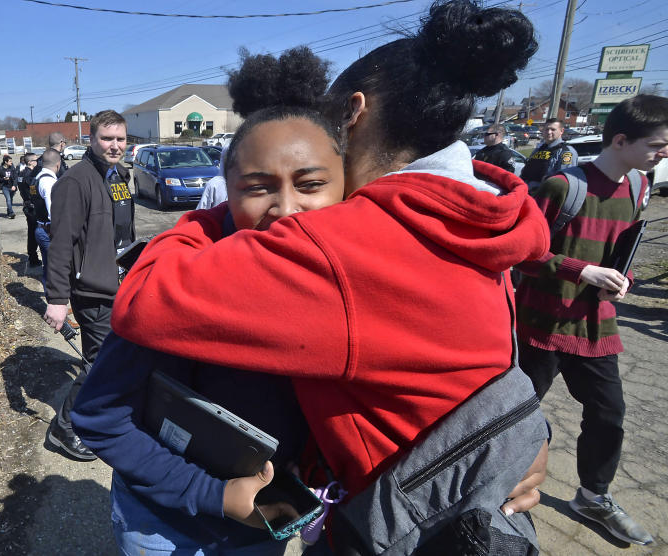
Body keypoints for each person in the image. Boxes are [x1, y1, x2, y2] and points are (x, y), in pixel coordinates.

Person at [110, 1, 549, 550]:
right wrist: (525, 436)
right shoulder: (475, 212)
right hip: (467, 498)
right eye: (260, 185)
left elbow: (144, 297)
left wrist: (214, 214)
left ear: (352, 111)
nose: (288, 209)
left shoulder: (347, 243)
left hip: (391, 523)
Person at [71, 47, 339, 555]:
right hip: (169, 532)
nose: (286, 210)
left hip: (262, 530)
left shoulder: (354, 290)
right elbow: (99, 417)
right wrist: (212, 495)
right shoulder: (179, 288)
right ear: (225, 192)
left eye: (312, 184)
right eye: (258, 187)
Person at [513, 94, 668, 547]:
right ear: (621, 140)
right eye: (657, 145)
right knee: (518, 415)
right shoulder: (564, 185)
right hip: (541, 324)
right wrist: (580, 270)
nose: (663, 154)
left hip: (596, 325)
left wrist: (623, 280)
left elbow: (622, 254)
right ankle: (493, 486)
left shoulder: (639, 188)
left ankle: (593, 496)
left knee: (608, 414)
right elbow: (525, 254)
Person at [43, 109, 134, 461]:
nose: (115, 145)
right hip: (92, 289)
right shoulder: (76, 181)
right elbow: (61, 242)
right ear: (92, 140)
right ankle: (64, 429)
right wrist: (56, 298)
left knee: (118, 355)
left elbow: (121, 232)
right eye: (107, 138)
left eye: (120, 139)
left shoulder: (117, 175)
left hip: (119, 282)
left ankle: (102, 412)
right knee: (99, 362)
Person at [30, 149, 62, 294]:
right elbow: (53, 213)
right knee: (54, 272)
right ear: (58, 164)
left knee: (49, 268)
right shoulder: (48, 182)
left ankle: (54, 303)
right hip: (49, 231)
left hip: (41, 227)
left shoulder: (36, 177)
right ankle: (54, 308)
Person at [519, 117, 578, 188]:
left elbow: (564, 180)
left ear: (561, 131)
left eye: (553, 129)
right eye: (547, 129)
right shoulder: (539, 149)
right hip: (526, 191)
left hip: (545, 194)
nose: (549, 132)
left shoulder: (566, 152)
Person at [17, 154, 42, 266]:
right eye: (36, 160)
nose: (38, 162)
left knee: (32, 233)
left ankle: (33, 257)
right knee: (35, 233)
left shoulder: (21, 174)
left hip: (27, 205)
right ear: (30, 162)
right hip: (32, 207)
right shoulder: (30, 175)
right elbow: (33, 191)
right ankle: (33, 258)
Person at [0, 153, 16, 218]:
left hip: (12, 187)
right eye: (10, 161)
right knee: (8, 199)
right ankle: (12, 213)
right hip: (5, 187)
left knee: (10, 200)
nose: (11, 162)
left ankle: (9, 212)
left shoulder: (12, 168)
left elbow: (16, 177)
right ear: (5, 162)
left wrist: (14, 185)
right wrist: (3, 179)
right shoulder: (0, 169)